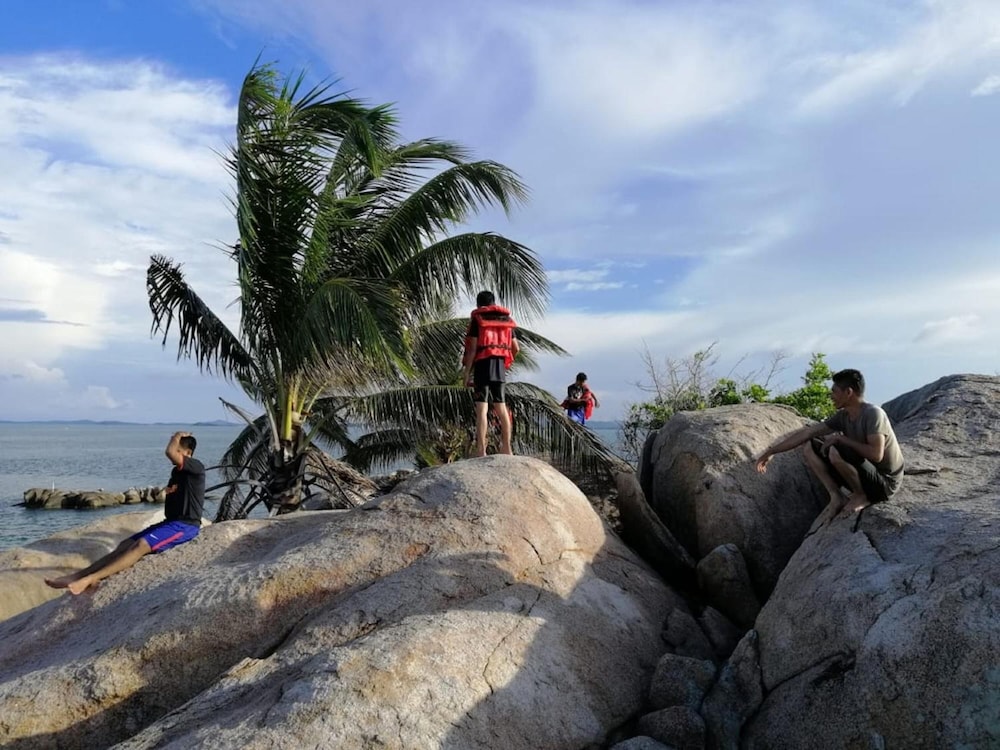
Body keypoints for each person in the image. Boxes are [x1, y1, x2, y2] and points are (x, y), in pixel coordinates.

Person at [45, 431, 206, 595]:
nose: (175, 455)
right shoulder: (176, 474)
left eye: (179, 451)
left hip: (185, 525)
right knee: (125, 545)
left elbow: (169, 452)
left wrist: (176, 436)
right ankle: (77, 575)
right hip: (170, 522)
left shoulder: (196, 467)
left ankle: (91, 578)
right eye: (176, 449)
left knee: (142, 545)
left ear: (188, 454)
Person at [754, 368, 904, 522]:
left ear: (848, 392)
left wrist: (842, 439)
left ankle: (861, 496)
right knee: (810, 446)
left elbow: (876, 455)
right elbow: (807, 433)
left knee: (835, 449)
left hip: (884, 484)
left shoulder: (873, 414)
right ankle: (836, 496)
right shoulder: (843, 416)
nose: (831, 396)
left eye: (834, 391)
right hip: (865, 475)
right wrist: (771, 451)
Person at [462, 290, 520, 457]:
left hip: (482, 367)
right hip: (499, 368)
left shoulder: (477, 320)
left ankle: (481, 450)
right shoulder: (506, 320)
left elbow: (472, 349)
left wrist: (466, 374)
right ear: (493, 303)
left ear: (479, 305)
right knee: (501, 408)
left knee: (482, 409)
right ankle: (507, 448)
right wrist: (507, 361)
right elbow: (516, 348)